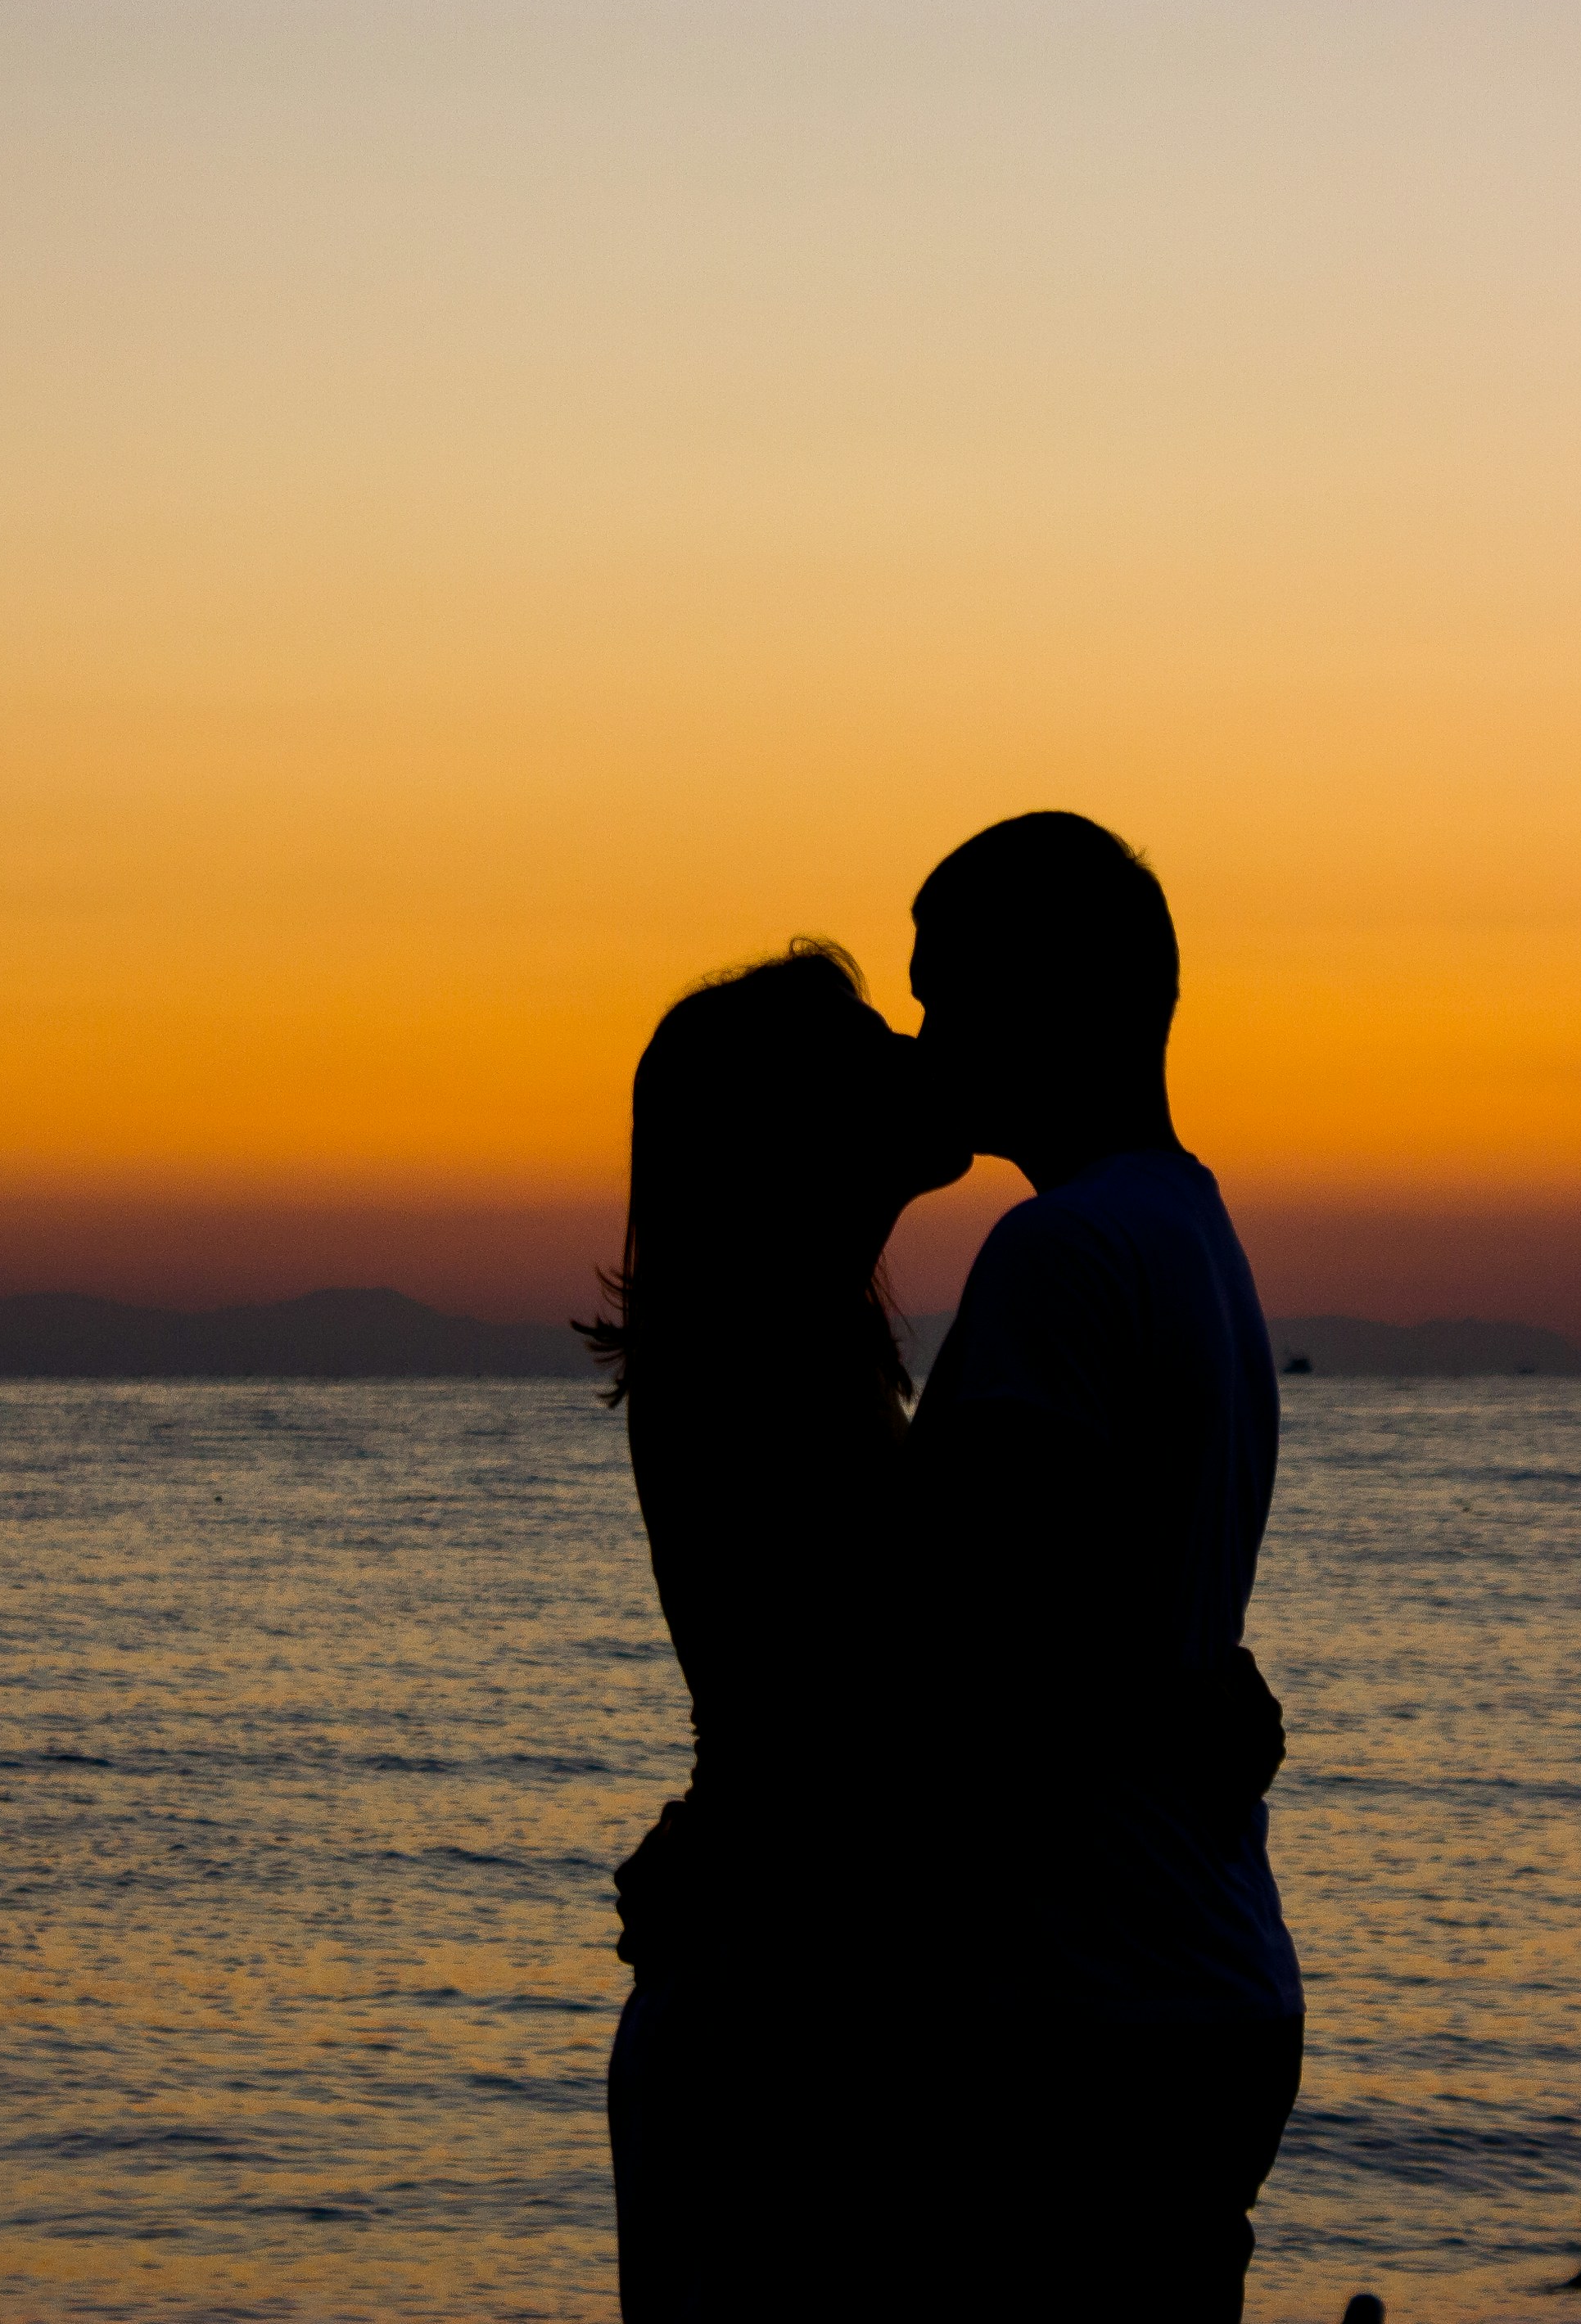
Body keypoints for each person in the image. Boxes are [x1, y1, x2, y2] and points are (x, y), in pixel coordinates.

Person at [904, 811, 1303, 2321]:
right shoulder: (1192, 1230)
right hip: (1203, 1976)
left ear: (1048, 996)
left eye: (949, 993)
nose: (929, 1033)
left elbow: (976, 1645)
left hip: (1094, 2011)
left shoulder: (1060, 1252)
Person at [586, 940, 969, 2323]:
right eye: (872, 1048)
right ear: (793, 1134)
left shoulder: (794, 1348)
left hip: (768, 1993)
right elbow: (878, 1703)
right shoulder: (770, 1371)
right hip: (784, 2031)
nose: (915, 1059)